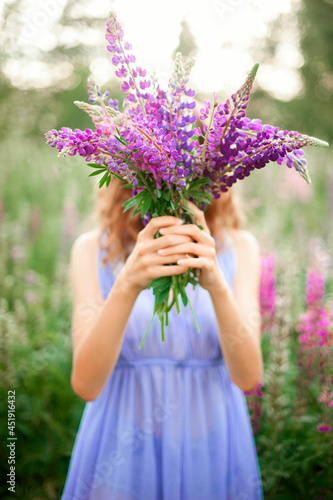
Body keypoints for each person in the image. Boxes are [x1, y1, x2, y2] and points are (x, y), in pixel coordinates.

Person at [60, 178, 264, 500]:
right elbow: (86, 383)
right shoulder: (92, 251)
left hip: (210, 457)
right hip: (121, 459)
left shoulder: (240, 248)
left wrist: (216, 283)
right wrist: (127, 282)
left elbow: (249, 376)